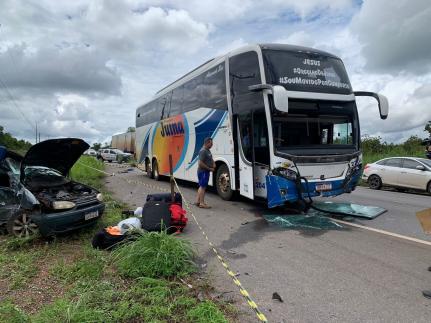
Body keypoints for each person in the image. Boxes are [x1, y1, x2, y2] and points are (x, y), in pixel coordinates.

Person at [195, 137, 215, 208]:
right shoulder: (203, 151)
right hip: (203, 171)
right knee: (203, 187)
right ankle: (202, 203)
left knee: (201, 186)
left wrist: (213, 163)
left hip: (205, 172)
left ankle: (198, 201)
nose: (212, 145)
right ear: (207, 143)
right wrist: (209, 168)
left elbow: (210, 158)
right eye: (211, 143)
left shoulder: (207, 150)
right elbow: (200, 163)